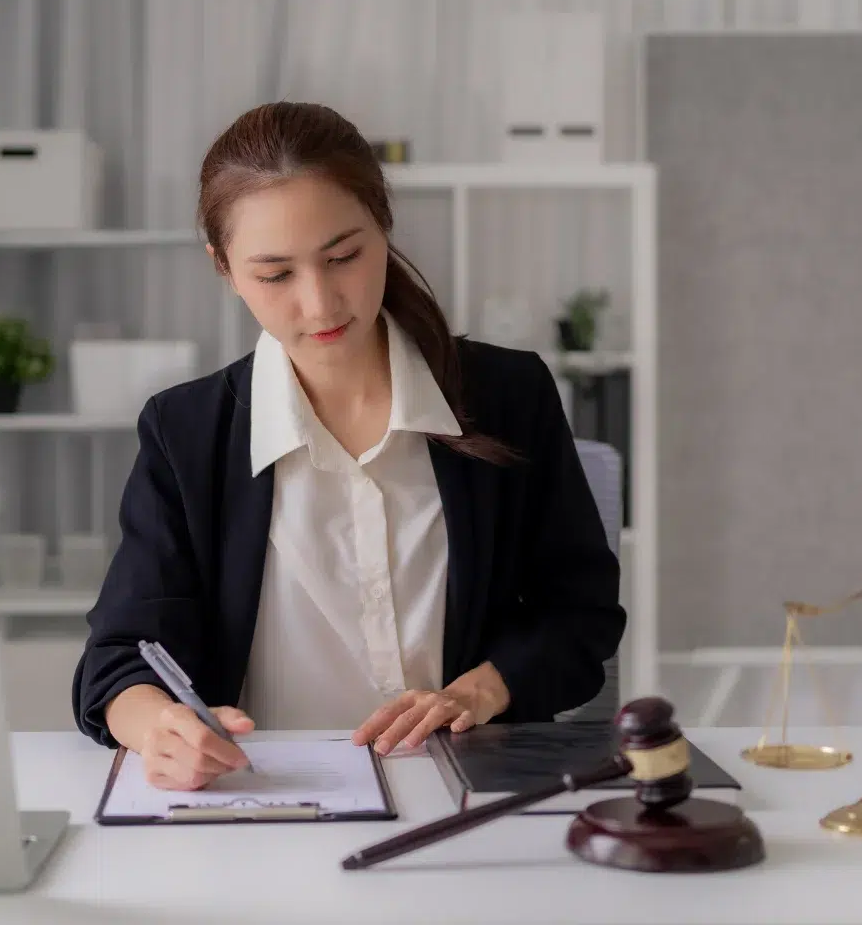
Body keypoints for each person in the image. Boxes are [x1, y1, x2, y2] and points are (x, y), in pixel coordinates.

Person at [72, 101, 625, 792]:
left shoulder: (509, 395)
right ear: (223, 266)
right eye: (276, 275)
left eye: (344, 257)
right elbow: (120, 657)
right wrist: (157, 726)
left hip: (466, 793)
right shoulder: (186, 432)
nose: (321, 302)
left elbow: (580, 614)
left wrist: (479, 692)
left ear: (383, 225)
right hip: (267, 800)